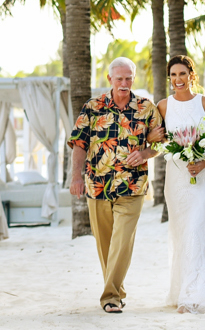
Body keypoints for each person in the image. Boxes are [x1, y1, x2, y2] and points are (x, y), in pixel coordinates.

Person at [68, 57, 165, 314]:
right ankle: (117, 291)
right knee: (105, 244)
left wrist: (145, 154)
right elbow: (79, 143)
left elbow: (160, 141)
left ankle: (109, 296)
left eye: (129, 78)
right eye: (119, 78)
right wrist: (75, 177)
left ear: (134, 78)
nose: (124, 83)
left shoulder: (146, 108)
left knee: (122, 241)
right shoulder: (92, 107)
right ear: (110, 79)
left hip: (133, 186)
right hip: (97, 184)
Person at [157, 54, 205, 314]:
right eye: (173, 75)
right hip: (176, 179)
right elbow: (156, 140)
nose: (178, 79)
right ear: (169, 79)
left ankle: (196, 296)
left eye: (182, 74)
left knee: (197, 230)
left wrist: (203, 163)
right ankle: (183, 290)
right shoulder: (164, 107)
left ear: (191, 75)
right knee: (181, 233)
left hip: (204, 178)